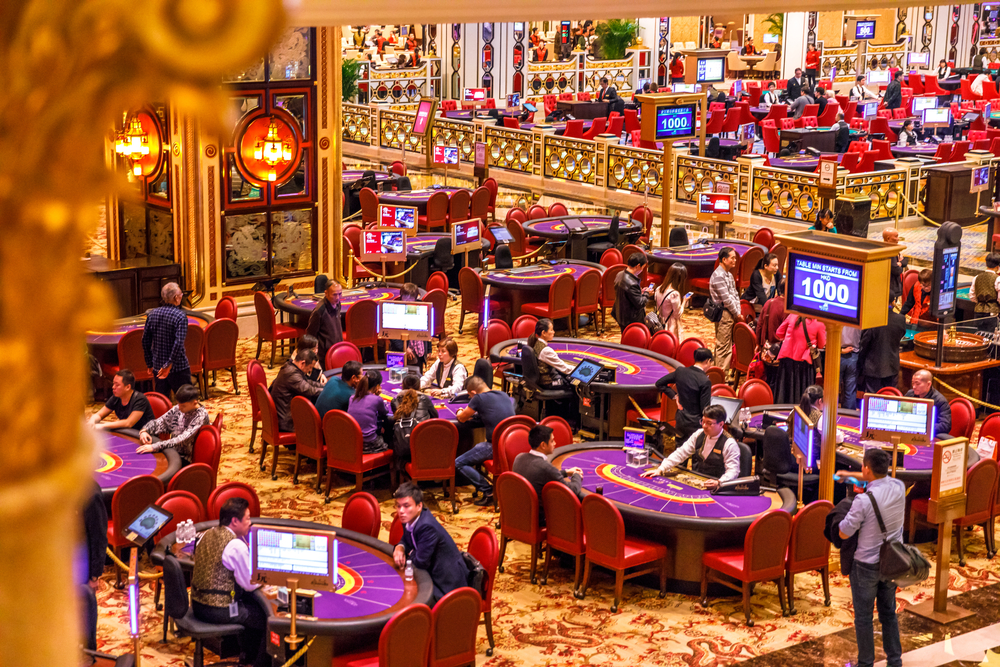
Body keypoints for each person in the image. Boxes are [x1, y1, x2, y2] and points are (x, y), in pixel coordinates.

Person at [837, 449, 904, 667]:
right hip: (892, 561)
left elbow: (844, 532)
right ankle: (895, 660)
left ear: (866, 469)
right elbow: (882, 482)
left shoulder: (863, 501)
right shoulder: (899, 487)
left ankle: (866, 663)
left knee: (864, 618)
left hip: (865, 566)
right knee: (889, 613)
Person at [191, 498, 268, 667]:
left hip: (197, 605)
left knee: (248, 604)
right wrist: (268, 578)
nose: (250, 522)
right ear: (235, 521)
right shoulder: (235, 545)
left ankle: (247, 656)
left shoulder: (207, 533)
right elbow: (249, 583)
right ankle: (258, 663)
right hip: (218, 610)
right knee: (268, 619)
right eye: (247, 518)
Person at [392, 482, 467, 602]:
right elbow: (406, 539)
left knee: (408, 600)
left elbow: (421, 562)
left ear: (419, 506)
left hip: (446, 585)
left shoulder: (427, 526)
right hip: (431, 574)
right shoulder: (409, 518)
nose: (401, 511)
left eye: (406, 506)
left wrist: (410, 553)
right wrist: (399, 547)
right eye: (398, 506)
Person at [640, 405, 740, 488]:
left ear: (721, 424)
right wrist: (661, 468)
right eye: (703, 421)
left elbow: (733, 471)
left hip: (717, 485)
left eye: (709, 423)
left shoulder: (729, 444)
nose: (704, 425)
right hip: (698, 481)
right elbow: (681, 452)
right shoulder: (699, 434)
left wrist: (719, 482)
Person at [455, 375, 516, 506]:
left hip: (495, 447)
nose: (470, 399)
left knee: (458, 463)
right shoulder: (504, 395)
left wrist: (460, 410)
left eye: (469, 397)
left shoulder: (478, 398)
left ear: (473, 392)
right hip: (513, 445)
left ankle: (488, 491)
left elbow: (462, 418)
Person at [511, 425, 583, 524]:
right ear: (543, 445)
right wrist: (576, 475)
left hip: (517, 513)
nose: (555, 443)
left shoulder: (519, 458)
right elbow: (571, 491)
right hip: (538, 519)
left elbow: (539, 475)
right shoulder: (545, 467)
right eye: (552, 441)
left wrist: (566, 472)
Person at [136, 383, 208, 462]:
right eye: (178, 404)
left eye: (183, 406)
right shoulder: (179, 407)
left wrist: (155, 446)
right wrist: (145, 430)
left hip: (186, 457)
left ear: (194, 402)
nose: (179, 408)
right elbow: (161, 421)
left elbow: (182, 439)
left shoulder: (201, 416)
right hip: (171, 450)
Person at [142, 282, 190, 397]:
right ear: (176, 297)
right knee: (188, 403)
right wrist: (168, 365)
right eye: (181, 294)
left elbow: (145, 340)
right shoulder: (180, 316)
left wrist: (149, 363)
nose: (181, 296)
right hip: (178, 367)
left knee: (162, 403)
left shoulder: (152, 314)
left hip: (158, 367)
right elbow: (178, 344)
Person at [655, 347, 713, 442]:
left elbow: (659, 383)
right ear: (708, 361)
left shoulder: (680, 371)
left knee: (680, 450)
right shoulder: (705, 381)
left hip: (680, 421)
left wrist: (675, 396)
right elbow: (705, 409)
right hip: (695, 425)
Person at [773, 313, 826, 404]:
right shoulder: (819, 323)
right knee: (801, 395)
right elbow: (822, 344)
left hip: (786, 360)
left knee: (784, 393)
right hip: (804, 363)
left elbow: (779, 333)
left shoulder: (792, 316)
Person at [79, 481, 107, 651]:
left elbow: (99, 538)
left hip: (83, 568)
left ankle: (90, 652)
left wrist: (95, 575)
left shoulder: (90, 493)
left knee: (86, 613)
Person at [268, 348, 323, 433]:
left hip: (284, 414)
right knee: (321, 426)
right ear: (302, 363)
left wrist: (324, 386)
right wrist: (327, 391)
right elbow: (309, 390)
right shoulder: (292, 374)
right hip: (287, 422)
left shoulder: (290, 366)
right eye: (310, 367)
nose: (310, 371)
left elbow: (308, 382)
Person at [390, 374, 438, 469]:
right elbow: (435, 416)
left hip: (402, 447)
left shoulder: (395, 401)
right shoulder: (425, 399)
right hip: (422, 447)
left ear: (403, 386)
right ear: (419, 387)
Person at [709, 247, 743, 372]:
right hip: (723, 313)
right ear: (724, 259)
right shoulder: (718, 276)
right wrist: (737, 314)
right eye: (732, 258)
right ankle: (720, 377)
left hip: (730, 313)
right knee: (723, 346)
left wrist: (738, 312)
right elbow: (727, 299)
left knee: (727, 345)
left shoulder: (728, 274)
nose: (735, 260)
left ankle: (722, 374)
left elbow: (735, 294)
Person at [858, 305, 906, 393]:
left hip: (873, 366)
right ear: (893, 302)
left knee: (873, 400)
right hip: (892, 365)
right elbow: (901, 335)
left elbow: (864, 343)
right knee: (890, 397)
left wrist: (859, 363)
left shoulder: (872, 319)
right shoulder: (901, 319)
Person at [89, 369, 155, 431]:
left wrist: (103, 426)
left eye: (117, 385)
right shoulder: (116, 397)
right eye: (113, 383)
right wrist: (92, 420)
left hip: (146, 434)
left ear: (128, 387)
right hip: (128, 432)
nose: (113, 387)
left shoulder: (140, 399)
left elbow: (128, 423)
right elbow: (99, 415)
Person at [388, 283, 429, 372]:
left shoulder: (422, 308)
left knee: (418, 374)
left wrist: (428, 350)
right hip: (400, 350)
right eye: (405, 297)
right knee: (398, 376)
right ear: (401, 296)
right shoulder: (395, 309)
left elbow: (427, 331)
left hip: (419, 349)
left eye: (410, 297)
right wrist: (404, 348)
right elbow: (392, 335)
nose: (407, 300)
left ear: (415, 298)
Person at [348, 369, 390, 453]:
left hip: (353, 442)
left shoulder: (352, 398)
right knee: (389, 440)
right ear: (377, 386)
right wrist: (378, 396)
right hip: (368, 444)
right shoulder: (377, 399)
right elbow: (384, 413)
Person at [526, 317, 576, 387]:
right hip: (547, 383)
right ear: (543, 333)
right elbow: (565, 369)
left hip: (540, 380)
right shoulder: (546, 351)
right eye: (551, 330)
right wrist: (578, 369)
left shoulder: (535, 342)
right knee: (573, 384)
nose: (554, 332)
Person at [306, 281, 344, 365]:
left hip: (337, 349)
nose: (338, 297)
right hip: (324, 355)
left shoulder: (338, 304)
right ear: (326, 293)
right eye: (334, 294)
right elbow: (311, 334)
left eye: (340, 294)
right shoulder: (320, 310)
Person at [906, 369, 952, 437]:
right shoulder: (909, 394)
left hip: (930, 435)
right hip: (908, 432)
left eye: (917, 383)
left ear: (928, 384)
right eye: (913, 383)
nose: (914, 387)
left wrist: (923, 427)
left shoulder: (940, 401)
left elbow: (945, 425)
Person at [613, 252, 649, 330]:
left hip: (620, 314)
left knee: (625, 337)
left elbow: (628, 295)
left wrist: (639, 293)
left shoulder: (619, 274)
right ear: (638, 266)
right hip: (631, 319)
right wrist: (646, 293)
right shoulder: (632, 283)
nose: (642, 270)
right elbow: (640, 303)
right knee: (633, 340)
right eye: (643, 267)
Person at [654, 263, 688, 341]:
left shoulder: (658, 288)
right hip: (671, 324)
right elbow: (677, 314)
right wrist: (684, 301)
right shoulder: (674, 294)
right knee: (672, 346)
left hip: (660, 321)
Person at [973, 252, 1000, 330]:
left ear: (986, 264)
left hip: (978, 311)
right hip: (992, 313)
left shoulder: (976, 277)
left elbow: (972, 296)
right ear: (998, 267)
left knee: (978, 336)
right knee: (990, 337)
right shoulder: (998, 279)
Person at [883, 228, 908, 304]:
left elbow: (905, 260)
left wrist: (899, 263)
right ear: (888, 238)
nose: (898, 239)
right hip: (890, 285)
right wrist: (899, 265)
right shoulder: (887, 251)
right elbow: (896, 270)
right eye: (896, 237)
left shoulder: (895, 248)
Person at [840, 324, 862, 410]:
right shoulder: (858, 317)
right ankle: (848, 420)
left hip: (837, 353)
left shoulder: (835, 314)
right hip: (853, 355)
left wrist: (840, 350)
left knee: (833, 391)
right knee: (850, 391)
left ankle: (832, 418)